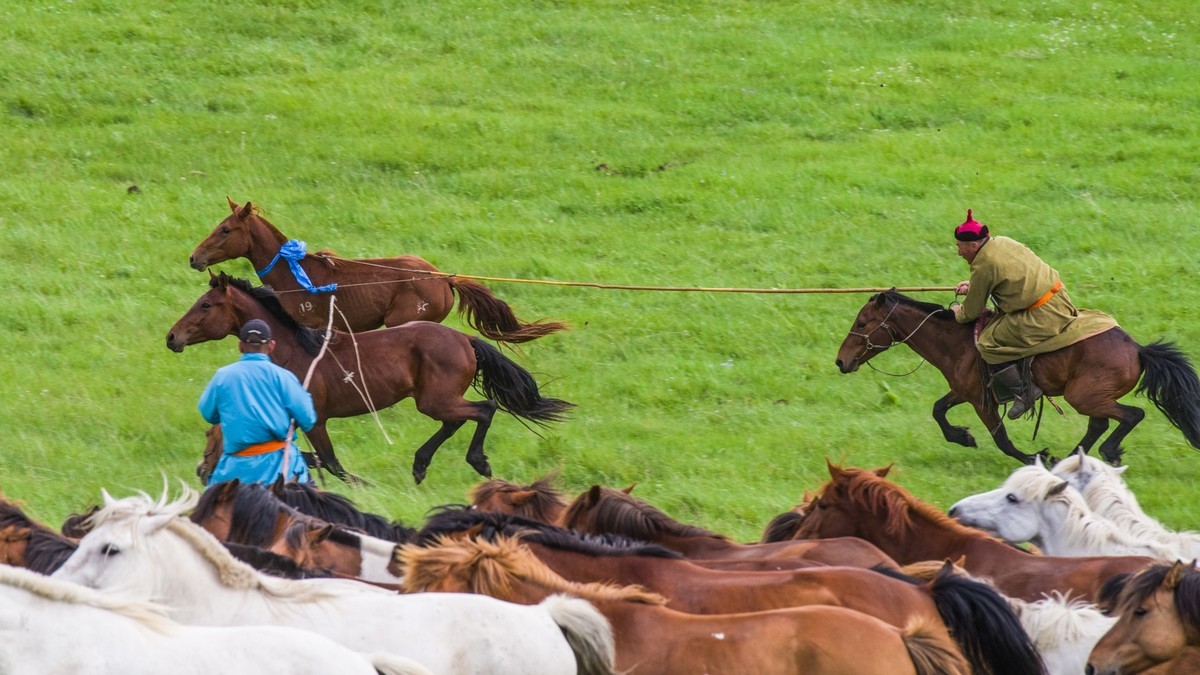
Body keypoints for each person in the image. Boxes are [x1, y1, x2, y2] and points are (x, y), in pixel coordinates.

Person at [950, 209, 1117, 419]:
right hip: (1059, 299)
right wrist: (974, 286)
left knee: (987, 344)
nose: (959, 252)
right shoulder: (1002, 241)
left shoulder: (982, 266)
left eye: (960, 247)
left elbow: (971, 311)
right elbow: (1006, 275)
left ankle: (1024, 391)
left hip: (1040, 316)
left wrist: (958, 312)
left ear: (973, 245)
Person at [198, 319, 317, 485]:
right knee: (312, 506)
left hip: (234, 469)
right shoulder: (283, 377)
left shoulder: (222, 376)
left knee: (210, 506)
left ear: (240, 346)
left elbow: (208, 413)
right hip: (282, 467)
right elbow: (308, 419)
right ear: (271, 346)